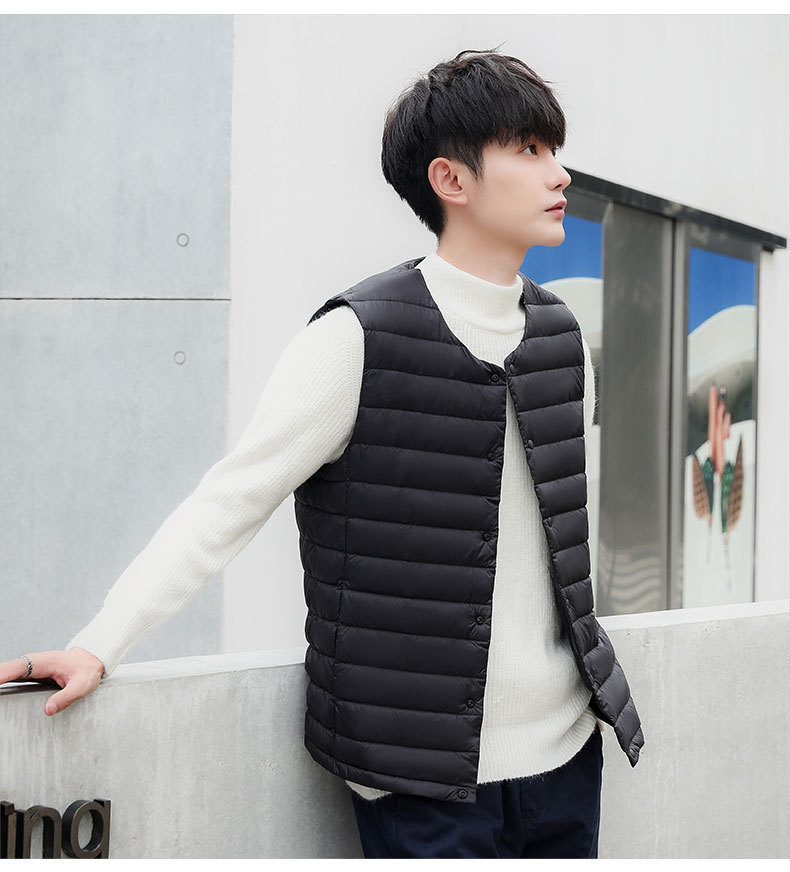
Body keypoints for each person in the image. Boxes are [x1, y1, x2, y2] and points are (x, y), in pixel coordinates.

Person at [0, 47, 643, 859]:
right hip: (418, 780)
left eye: (553, 149)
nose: (559, 173)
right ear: (451, 179)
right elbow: (230, 502)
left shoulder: (562, 339)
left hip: (566, 760)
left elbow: (560, 543)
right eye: (528, 149)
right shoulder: (356, 337)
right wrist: (100, 642)